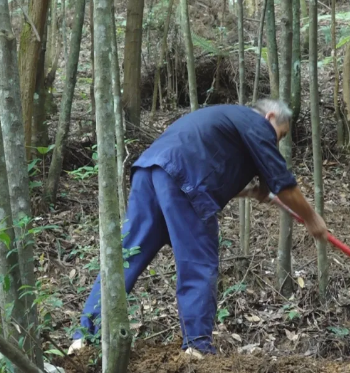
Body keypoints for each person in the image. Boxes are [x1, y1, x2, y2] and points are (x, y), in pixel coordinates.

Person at [68, 99, 328, 356]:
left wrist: (249, 192)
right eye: (279, 135)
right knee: (199, 262)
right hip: (183, 179)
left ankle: (84, 340)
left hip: (149, 171)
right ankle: (197, 347)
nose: (276, 142)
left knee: (127, 257)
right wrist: (312, 218)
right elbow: (284, 183)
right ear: (271, 117)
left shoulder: (224, 117)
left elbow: (207, 162)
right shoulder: (256, 123)